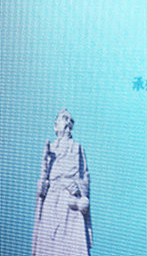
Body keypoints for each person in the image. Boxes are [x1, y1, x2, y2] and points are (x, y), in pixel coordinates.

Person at [32, 109, 92, 256]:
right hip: (52, 198)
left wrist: (80, 190)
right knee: (48, 238)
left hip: (71, 199)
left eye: (69, 121)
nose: (67, 123)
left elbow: (85, 177)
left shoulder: (77, 148)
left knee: (73, 240)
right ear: (55, 126)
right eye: (63, 119)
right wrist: (43, 175)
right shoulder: (50, 149)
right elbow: (42, 188)